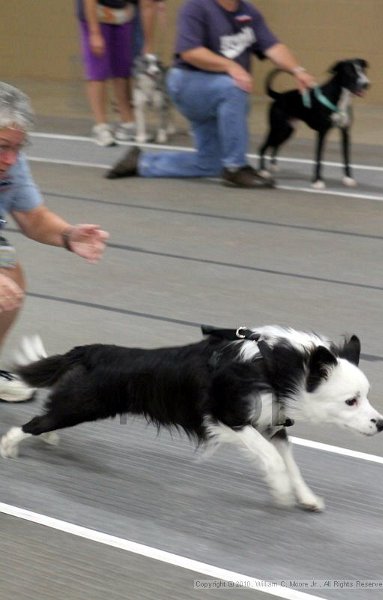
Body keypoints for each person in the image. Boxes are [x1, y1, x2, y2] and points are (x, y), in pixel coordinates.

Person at [106, 0, 315, 188]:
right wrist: (229, 66)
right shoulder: (196, 7)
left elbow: (273, 47)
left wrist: (297, 70)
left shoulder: (249, 12)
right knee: (234, 88)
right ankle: (236, 168)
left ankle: (142, 162)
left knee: (210, 163)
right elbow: (190, 52)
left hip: (215, 92)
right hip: (188, 83)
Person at [0, 82, 109, 401]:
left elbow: (33, 217)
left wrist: (68, 235)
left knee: (9, 277)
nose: (11, 158)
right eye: (3, 146)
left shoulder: (11, 162)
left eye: (17, 148)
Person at [76, 0, 136, 146]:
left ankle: (127, 122)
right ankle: (101, 125)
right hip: (96, 15)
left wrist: (130, 8)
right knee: (97, 71)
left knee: (122, 70)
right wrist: (94, 32)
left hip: (121, 15)